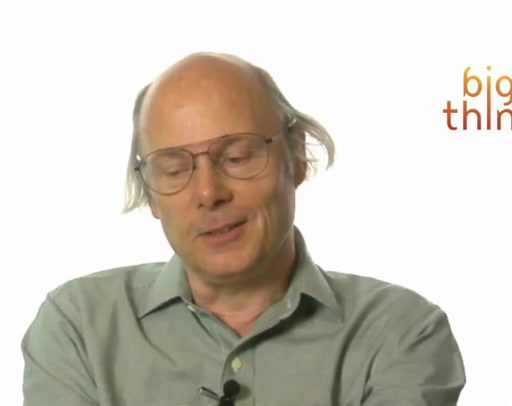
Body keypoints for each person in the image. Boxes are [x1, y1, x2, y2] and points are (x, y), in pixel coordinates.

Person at [21, 52, 466, 406]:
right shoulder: (78, 327)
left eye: (236, 157)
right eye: (174, 169)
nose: (208, 193)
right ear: (152, 195)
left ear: (297, 158)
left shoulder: (401, 333)